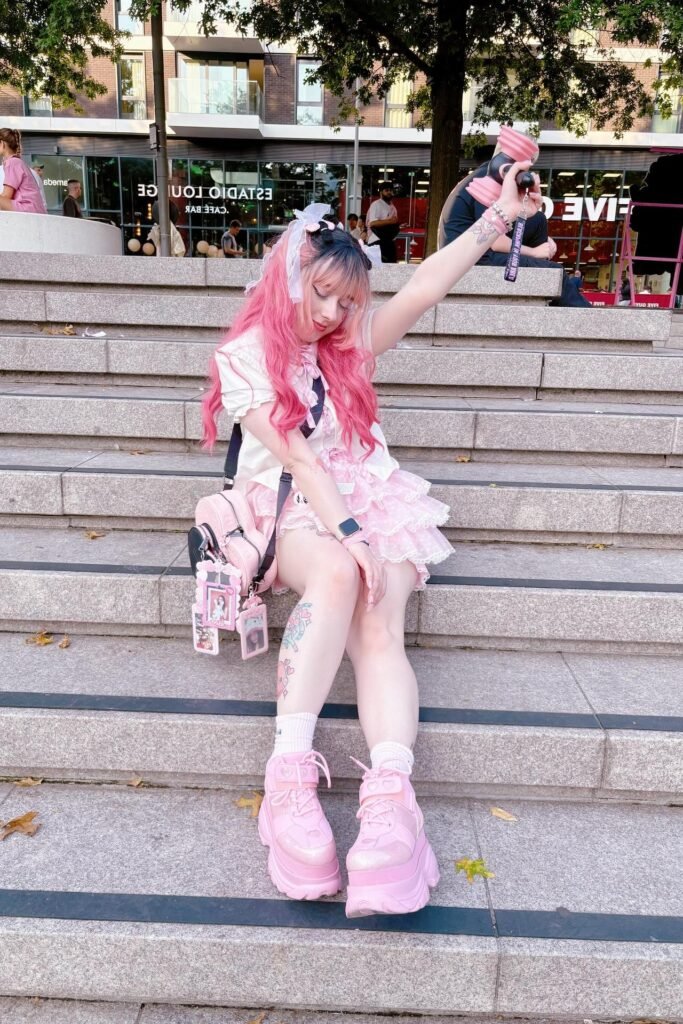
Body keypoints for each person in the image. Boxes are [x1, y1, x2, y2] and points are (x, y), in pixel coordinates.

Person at [201, 160, 536, 917]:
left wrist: (497, 220)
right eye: (319, 291)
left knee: (381, 619)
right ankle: (287, 777)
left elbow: (421, 286)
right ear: (287, 276)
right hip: (285, 505)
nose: (330, 311)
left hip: (366, 493)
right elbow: (292, 455)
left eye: (346, 299)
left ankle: (391, 798)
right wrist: (347, 533)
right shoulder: (245, 356)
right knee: (338, 575)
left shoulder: (350, 348)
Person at [440, 159, 591, 308]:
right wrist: (534, 252)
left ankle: (541, 289)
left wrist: (545, 242)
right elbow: (495, 242)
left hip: (471, 252)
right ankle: (587, 319)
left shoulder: (484, 176)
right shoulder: (487, 183)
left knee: (538, 219)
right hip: (475, 258)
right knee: (554, 272)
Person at [630, 154, 683, 301]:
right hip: (666, 248)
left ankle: (644, 264)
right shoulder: (655, 196)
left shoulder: (650, 195)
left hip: (657, 248)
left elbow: (636, 224)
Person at [0, 128, 47, 213]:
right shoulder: (17, 162)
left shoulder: (12, 162)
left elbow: (6, 195)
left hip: (28, 208)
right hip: (33, 208)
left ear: (2, 144)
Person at [366, 182, 400, 263]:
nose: (389, 192)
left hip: (389, 241)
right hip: (376, 241)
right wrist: (390, 221)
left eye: (391, 190)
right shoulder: (376, 204)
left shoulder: (393, 207)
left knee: (391, 267)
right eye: (386, 190)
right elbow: (372, 223)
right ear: (381, 192)